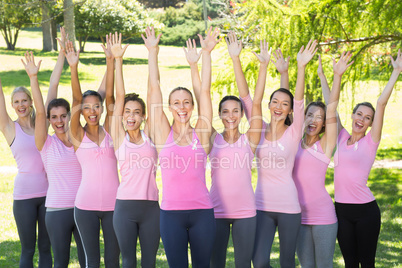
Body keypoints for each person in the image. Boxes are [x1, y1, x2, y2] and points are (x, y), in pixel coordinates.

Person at [239, 40, 318, 268]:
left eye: (285, 104)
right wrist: (242, 61)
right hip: (261, 205)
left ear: (290, 110)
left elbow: (301, 100)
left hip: (289, 207)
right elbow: (246, 99)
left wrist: (301, 68)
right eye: (275, 101)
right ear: (269, 105)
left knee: (286, 262)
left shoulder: (294, 133)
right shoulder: (258, 129)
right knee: (260, 260)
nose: (279, 106)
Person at [145, 26, 219, 267]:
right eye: (176, 103)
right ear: (169, 108)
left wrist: (204, 55)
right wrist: (152, 52)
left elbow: (205, 92)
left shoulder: (202, 133)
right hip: (170, 215)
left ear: (192, 107)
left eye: (186, 102)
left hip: (202, 213)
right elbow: (154, 89)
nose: (182, 106)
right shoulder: (162, 133)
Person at [193, 31, 267, 268]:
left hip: (246, 211)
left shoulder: (250, 139)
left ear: (242, 114)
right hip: (215, 211)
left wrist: (237, 59)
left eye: (236, 110)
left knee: (243, 264)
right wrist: (202, 58)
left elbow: (254, 101)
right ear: (219, 115)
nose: (231, 115)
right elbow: (201, 94)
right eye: (225, 111)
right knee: (216, 264)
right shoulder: (212, 138)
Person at [332, 49, 402, 267]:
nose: (362, 119)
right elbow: (331, 105)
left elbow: (381, 103)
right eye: (359, 114)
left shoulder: (371, 141)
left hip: (366, 211)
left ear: (372, 123)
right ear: (352, 116)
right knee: (350, 263)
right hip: (341, 210)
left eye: (367, 118)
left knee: (367, 263)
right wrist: (337, 76)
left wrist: (396, 72)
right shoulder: (341, 136)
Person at [292, 52, 353, 268]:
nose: (314, 120)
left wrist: (335, 76)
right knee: (306, 266)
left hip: (324, 216)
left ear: (324, 124)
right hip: (297, 216)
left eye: (319, 117)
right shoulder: (293, 142)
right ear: (303, 117)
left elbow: (332, 109)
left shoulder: (325, 145)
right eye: (310, 115)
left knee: (324, 265)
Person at [64, 35, 120, 267]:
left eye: (96, 106)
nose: (92, 110)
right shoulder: (76, 133)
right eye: (87, 108)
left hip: (115, 205)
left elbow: (110, 98)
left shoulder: (109, 129)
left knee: (113, 259)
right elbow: (76, 98)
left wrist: (110, 61)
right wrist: (73, 67)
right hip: (85, 206)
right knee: (92, 261)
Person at [108, 32, 160, 268]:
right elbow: (119, 96)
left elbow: (153, 90)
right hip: (125, 207)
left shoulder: (151, 135)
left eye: (136, 112)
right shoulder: (119, 137)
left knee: (149, 261)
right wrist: (118, 60)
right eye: (127, 112)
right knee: (127, 260)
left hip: (151, 207)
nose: (130, 116)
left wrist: (152, 53)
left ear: (143, 116)